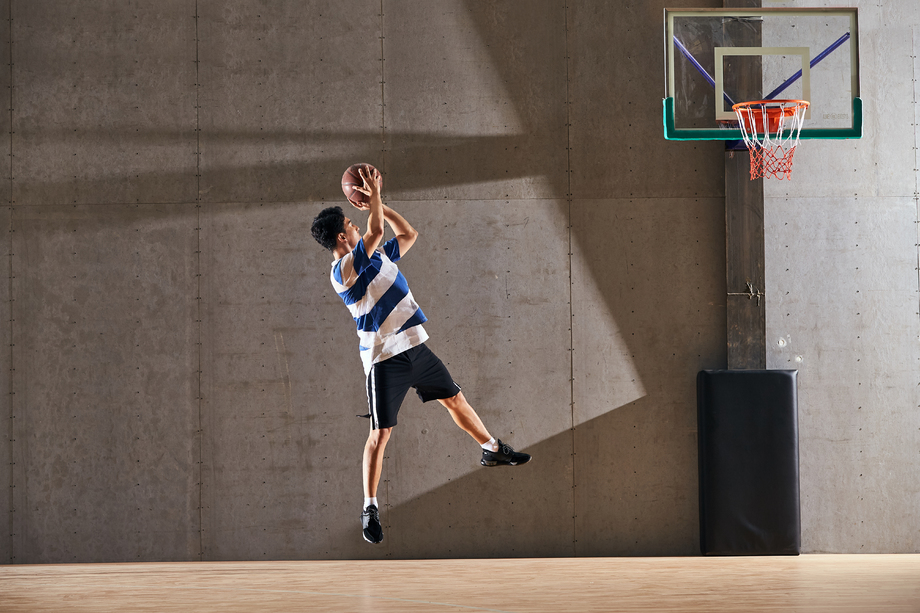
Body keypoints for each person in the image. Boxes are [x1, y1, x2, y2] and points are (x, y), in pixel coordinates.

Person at [310, 165, 531, 544]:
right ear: (340, 236)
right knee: (380, 433)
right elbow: (376, 231)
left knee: (455, 399)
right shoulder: (343, 269)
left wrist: (382, 204)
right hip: (383, 359)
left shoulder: (376, 256)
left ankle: (491, 449)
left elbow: (407, 234)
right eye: (351, 223)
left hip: (414, 345)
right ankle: (369, 507)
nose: (357, 225)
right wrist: (374, 197)